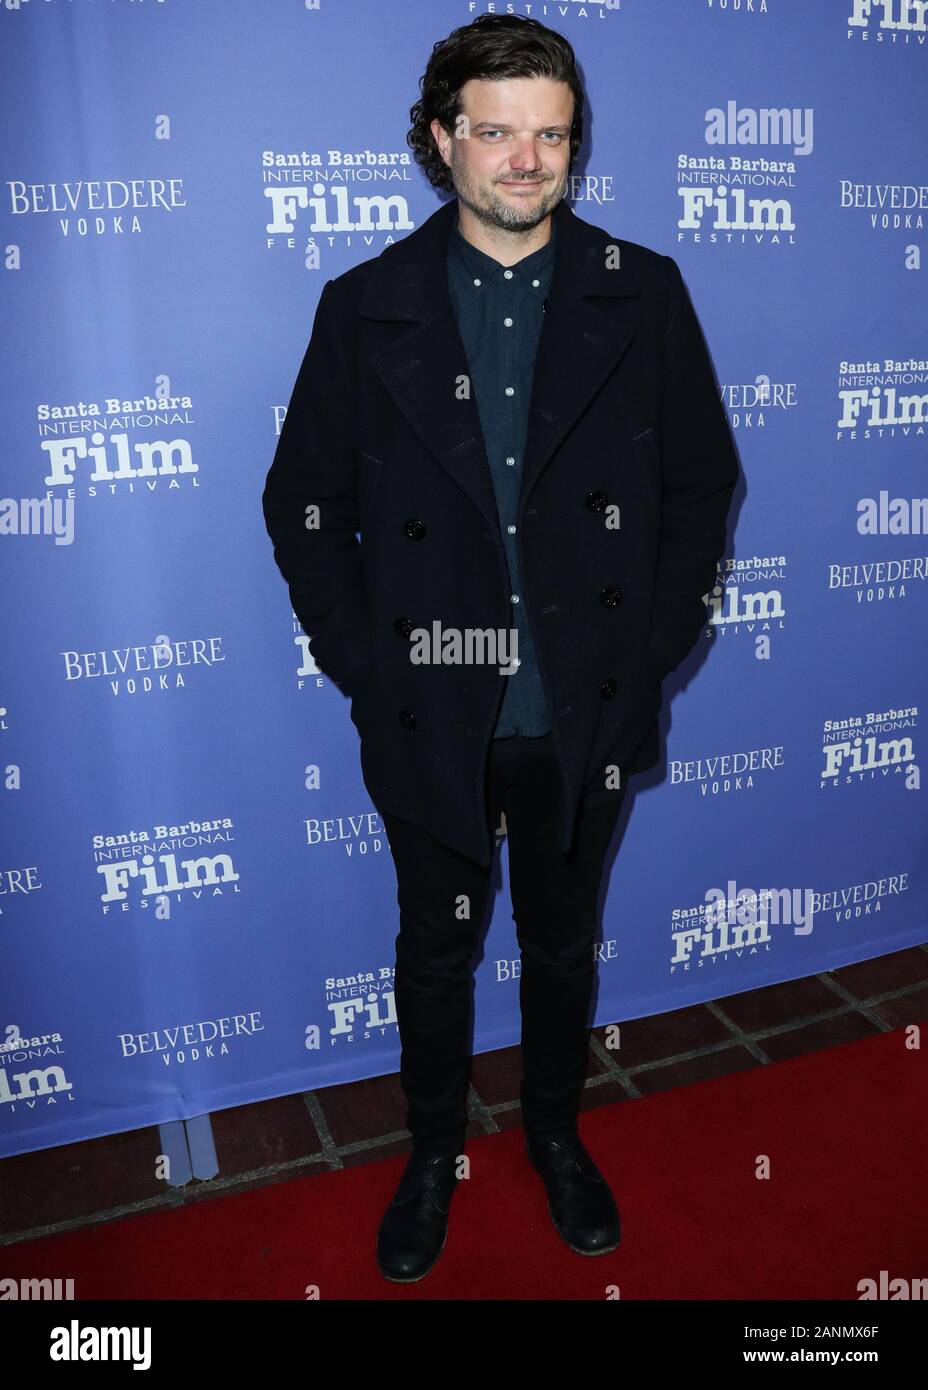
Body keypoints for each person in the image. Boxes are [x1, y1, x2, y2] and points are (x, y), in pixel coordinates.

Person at [262, 13, 739, 1283]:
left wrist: (648, 649)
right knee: (434, 944)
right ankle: (431, 1153)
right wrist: (371, 666)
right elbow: (300, 502)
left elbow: (701, 486)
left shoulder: (642, 291)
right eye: (496, 132)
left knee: (563, 942)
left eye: (550, 135)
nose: (525, 161)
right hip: (435, 712)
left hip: (582, 704)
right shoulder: (366, 308)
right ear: (441, 139)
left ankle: (552, 1136)